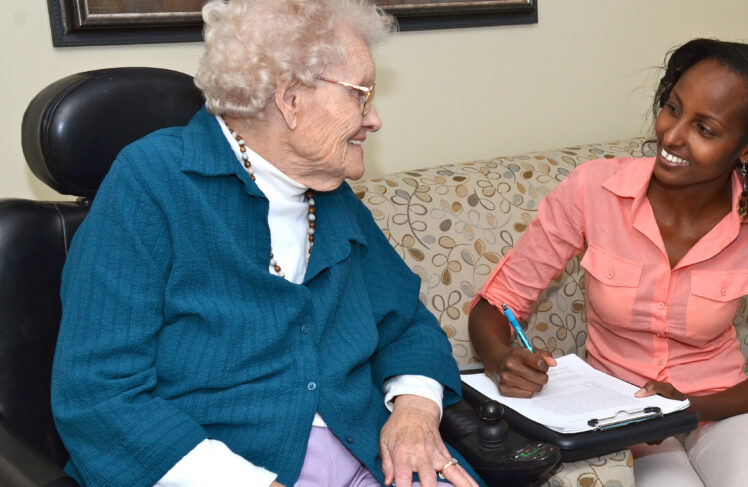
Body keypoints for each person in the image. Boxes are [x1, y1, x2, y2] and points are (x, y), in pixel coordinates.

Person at [50, 1, 479, 486]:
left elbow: (406, 323)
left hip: (364, 451)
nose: (374, 118)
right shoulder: (152, 182)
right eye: (362, 95)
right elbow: (98, 395)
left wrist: (415, 413)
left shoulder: (328, 191)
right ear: (290, 98)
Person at [468, 38, 748, 486]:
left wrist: (688, 407)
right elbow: (497, 303)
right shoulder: (593, 190)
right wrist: (500, 358)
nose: (671, 136)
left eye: (704, 129)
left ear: (747, 148)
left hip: (724, 409)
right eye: (673, 108)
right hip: (621, 418)